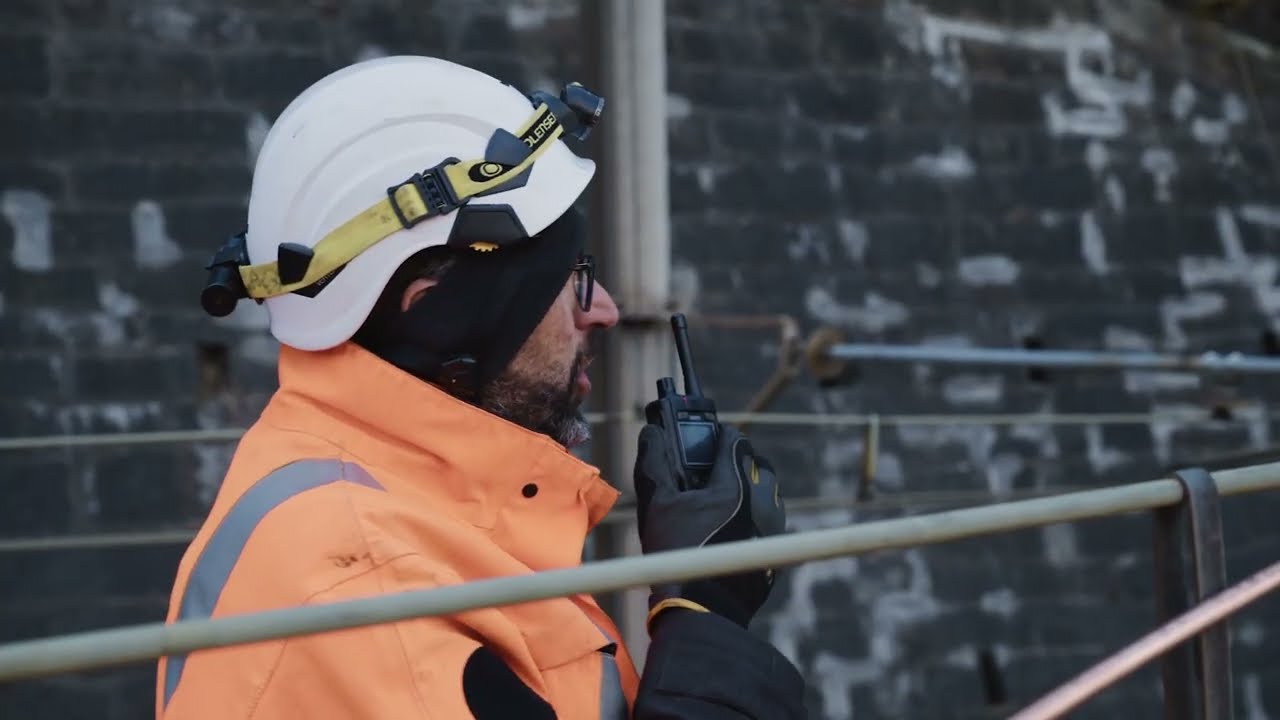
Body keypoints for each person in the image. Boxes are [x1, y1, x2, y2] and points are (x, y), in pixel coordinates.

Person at [160, 55, 805, 719]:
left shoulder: (380, 491)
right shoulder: (369, 600)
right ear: (438, 312)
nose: (604, 309)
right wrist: (708, 621)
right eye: (570, 278)